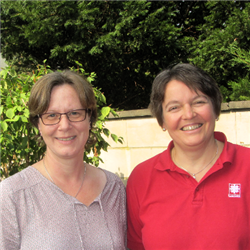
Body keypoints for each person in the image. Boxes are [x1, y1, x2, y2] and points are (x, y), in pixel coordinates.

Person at [126, 63, 250, 250]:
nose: (189, 114)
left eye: (199, 102)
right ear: (162, 120)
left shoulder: (246, 166)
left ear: (215, 108)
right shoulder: (141, 178)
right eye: (174, 107)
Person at [0, 70, 126, 249]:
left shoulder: (113, 188)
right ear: (38, 124)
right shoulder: (14, 194)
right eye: (51, 115)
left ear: (90, 118)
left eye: (75, 113)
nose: (65, 125)